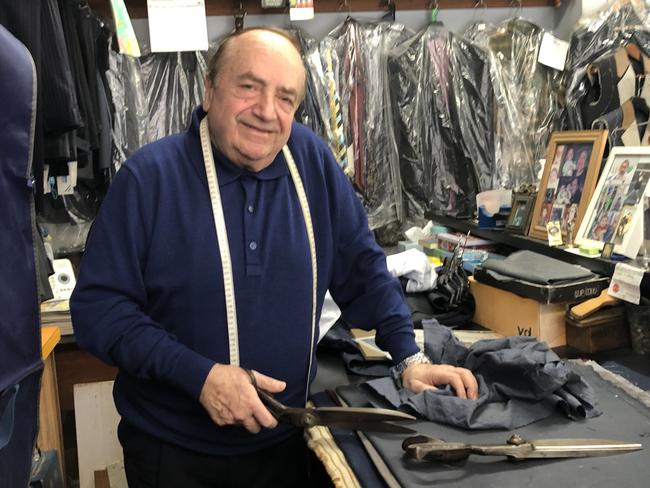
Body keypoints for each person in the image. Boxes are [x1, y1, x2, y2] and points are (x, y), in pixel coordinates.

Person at [70, 27, 478, 488]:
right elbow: (100, 313)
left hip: (287, 444)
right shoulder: (148, 179)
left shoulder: (312, 162)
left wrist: (408, 357)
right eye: (249, 87)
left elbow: (363, 268)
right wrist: (199, 377)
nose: (267, 112)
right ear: (209, 90)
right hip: (174, 453)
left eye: (285, 98)